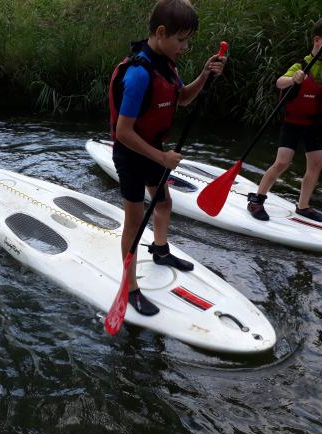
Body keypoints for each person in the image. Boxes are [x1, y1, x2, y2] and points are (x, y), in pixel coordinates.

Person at [109, 0, 225, 316]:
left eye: (188, 41)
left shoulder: (166, 65)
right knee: (133, 221)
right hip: (133, 154)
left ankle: (160, 250)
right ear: (161, 33)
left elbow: (183, 99)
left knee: (163, 204)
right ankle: (130, 287)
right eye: (181, 40)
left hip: (155, 152)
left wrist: (204, 75)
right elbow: (123, 132)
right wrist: (161, 158)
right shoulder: (138, 74)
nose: (185, 47)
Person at [247, 16, 322, 222]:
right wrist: (293, 79)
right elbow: (280, 82)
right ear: (317, 40)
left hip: (316, 124)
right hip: (294, 123)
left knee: (316, 164)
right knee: (282, 162)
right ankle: (257, 199)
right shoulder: (301, 65)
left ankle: (303, 206)